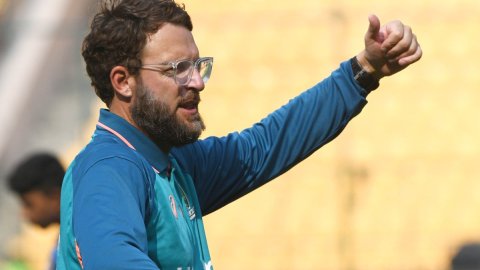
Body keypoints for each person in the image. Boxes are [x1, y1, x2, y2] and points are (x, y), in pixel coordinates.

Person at [56, 0, 422, 269]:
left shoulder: (169, 162)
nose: (197, 81)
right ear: (123, 81)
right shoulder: (109, 171)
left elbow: (264, 146)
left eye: (198, 66)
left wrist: (364, 70)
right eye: (178, 69)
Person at [7, 152, 64, 270]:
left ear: (55, 196)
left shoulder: (81, 236)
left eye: (28, 204)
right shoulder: (61, 242)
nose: (24, 213)